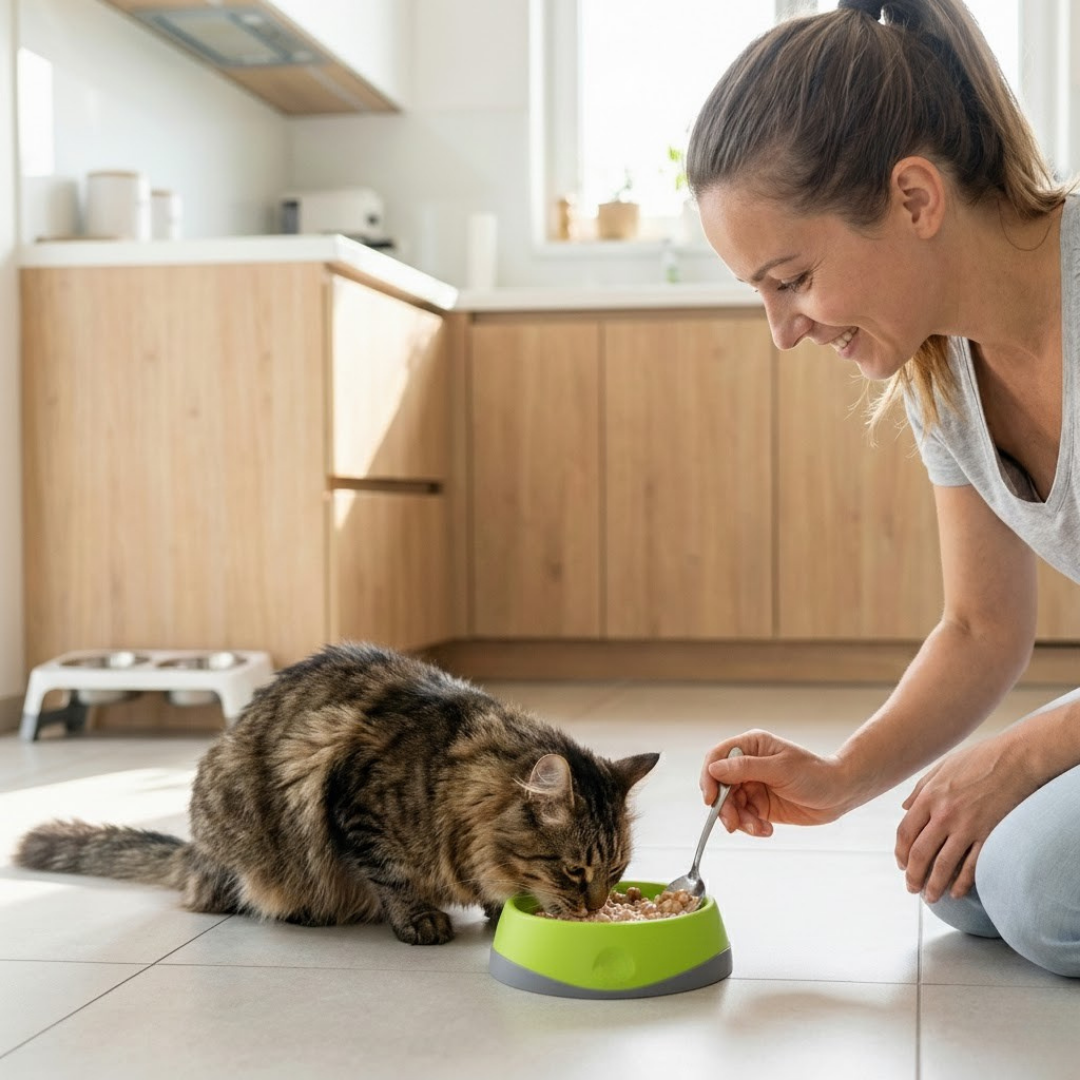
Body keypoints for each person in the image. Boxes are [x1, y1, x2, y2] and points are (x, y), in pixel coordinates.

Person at [688, 0, 1080, 977]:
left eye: (792, 278)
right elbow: (983, 629)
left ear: (912, 199)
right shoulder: (941, 372)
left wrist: (1037, 746)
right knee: (958, 873)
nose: (784, 331)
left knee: (1038, 888)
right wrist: (839, 777)